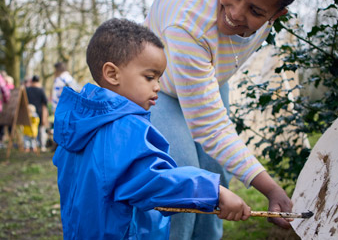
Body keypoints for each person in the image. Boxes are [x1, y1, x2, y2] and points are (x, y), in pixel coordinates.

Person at [144, 0, 320, 239]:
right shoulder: (188, 22)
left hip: (205, 76)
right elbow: (210, 127)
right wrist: (272, 189)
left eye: (256, 10)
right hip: (159, 88)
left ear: (277, 15)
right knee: (184, 182)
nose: (236, 13)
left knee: (216, 177)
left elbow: (207, 99)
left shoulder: (263, 8)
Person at [53, 18, 252, 239]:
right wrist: (214, 191)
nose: (157, 86)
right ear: (112, 74)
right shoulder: (125, 129)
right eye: (149, 77)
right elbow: (154, 181)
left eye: (159, 78)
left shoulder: (77, 124)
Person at [26, 75, 49, 151]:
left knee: (29, 130)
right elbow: (45, 103)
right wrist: (45, 116)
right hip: (39, 113)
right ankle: (42, 146)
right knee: (41, 130)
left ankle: (29, 146)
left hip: (29, 113)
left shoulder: (27, 90)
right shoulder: (41, 90)